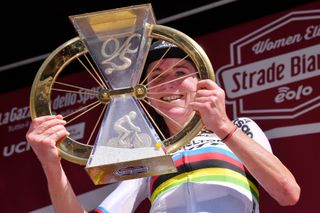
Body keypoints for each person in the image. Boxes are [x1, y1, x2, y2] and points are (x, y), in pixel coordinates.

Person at [26, 40, 300, 213]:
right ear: (146, 92)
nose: (168, 83)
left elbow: (288, 193)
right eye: (155, 76)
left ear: (201, 82)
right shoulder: (150, 154)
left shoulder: (241, 128)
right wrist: (51, 164)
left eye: (180, 73)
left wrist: (223, 127)